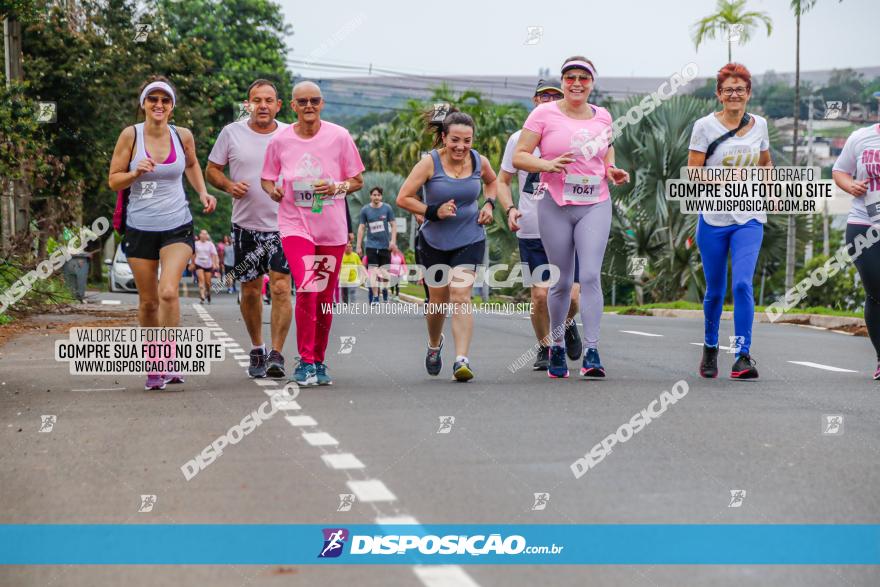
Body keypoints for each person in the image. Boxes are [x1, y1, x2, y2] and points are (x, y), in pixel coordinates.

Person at [513, 57, 630, 379]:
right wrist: (546, 166)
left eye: (583, 78)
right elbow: (519, 156)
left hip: (596, 202)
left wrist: (612, 170)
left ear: (592, 83)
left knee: (590, 276)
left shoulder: (603, 116)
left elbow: (607, 153)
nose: (576, 83)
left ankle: (592, 350)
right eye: (570, 78)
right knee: (562, 281)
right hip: (555, 204)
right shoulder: (542, 114)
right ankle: (558, 346)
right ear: (563, 81)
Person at [107, 76, 217, 390]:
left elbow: (192, 165)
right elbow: (114, 180)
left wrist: (202, 193)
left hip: (176, 226)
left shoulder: (183, 136)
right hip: (140, 228)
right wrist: (135, 172)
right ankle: (154, 363)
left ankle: (169, 359)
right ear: (143, 104)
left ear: (171, 106)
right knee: (148, 302)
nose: (159, 105)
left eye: (164, 100)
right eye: (152, 99)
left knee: (168, 291)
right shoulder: (131, 135)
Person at [261, 80, 364, 386]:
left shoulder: (339, 137)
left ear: (322, 104)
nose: (309, 106)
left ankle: (319, 361)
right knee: (307, 287)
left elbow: (357, 179)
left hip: (330, 229)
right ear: (292, 106)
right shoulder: (280, 141)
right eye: (302, 101)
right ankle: (305, 361)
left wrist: (336, 187)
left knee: (324, 297)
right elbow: (267, 179)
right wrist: (274, 191)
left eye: (314, 101)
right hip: (295, 225)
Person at [397, 108, 498, 382]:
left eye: (467, 140)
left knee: (461, 294)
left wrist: (489, 204)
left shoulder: (480, 161)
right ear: (444, 137)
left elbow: (492, 182)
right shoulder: (429, 163)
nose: (461, 146)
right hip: (433, 242)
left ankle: (461, 360)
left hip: (470, 238)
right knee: (437, 303)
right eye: (455, 140)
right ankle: (434, 344)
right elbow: (404, 197)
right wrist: (433, 211)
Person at [688, 63, 771, 380]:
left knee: (742, 284)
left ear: (748, 93)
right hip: (713, 217)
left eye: (740, 89)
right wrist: (720, 180)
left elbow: (765, 162)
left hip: (749, 216)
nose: (734, 94)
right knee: (715, 290)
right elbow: (694, 172)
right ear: (719, 95)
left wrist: (770, 189)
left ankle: (742, 355)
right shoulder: (704, 126)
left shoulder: (760, 125)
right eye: (728, 90)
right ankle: (710, 347)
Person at [207, 79, 292, 378]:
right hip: (245, 225)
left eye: (269, 100)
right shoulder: (231, 133)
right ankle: (258, 347)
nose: (263, 106)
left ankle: (277, 354)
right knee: (251, 290)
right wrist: (229, 185)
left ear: (278, 105)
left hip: (284, 225)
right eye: (257, 100)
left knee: (281, 287)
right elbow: (212, 170)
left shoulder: (289, 134)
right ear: (248, 104)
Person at [499, 79, 583, 371]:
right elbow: (503, 181)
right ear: (534, 101)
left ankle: (567, 324)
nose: (549, 100)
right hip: (532, 229)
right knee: (539, 294)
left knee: (572, 295)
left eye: (554, 96)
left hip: (567, 226)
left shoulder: (571, 135)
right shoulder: (517, 140)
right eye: (543, 96)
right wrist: (509, 208)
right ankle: (546, 347)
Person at [832, 121, 880, 379]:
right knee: (876, 291)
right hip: (864, 224)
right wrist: (850, 186)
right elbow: (839, 170)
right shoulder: (861, 137)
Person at [356, 186, 397, 303]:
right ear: (370, 196)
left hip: (385, 246)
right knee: (373, 271)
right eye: (374, 195)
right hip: (371, 245)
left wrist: (393, 241)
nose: (376, 197)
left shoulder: (387, 208)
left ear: (381, 196)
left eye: (378, 195)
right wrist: (358, 245)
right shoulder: (365, 210)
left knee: (385, 271)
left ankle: (384, 289)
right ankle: (375, 296)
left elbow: (393, 225)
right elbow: (362, 227)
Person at [190, 229, 219, 304]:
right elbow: (193, 254)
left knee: (208, 283)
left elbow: (214, 254)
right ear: (200, 235)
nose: (204, 235)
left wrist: (215, 263)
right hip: (198, 263)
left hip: (208, 264)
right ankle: (202, 295)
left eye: (205, 234)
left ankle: (208, 292)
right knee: (201, 280)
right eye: (202, 234)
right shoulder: (196, 243)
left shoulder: (210, 244)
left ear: (207, 236)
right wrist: (192, 263)